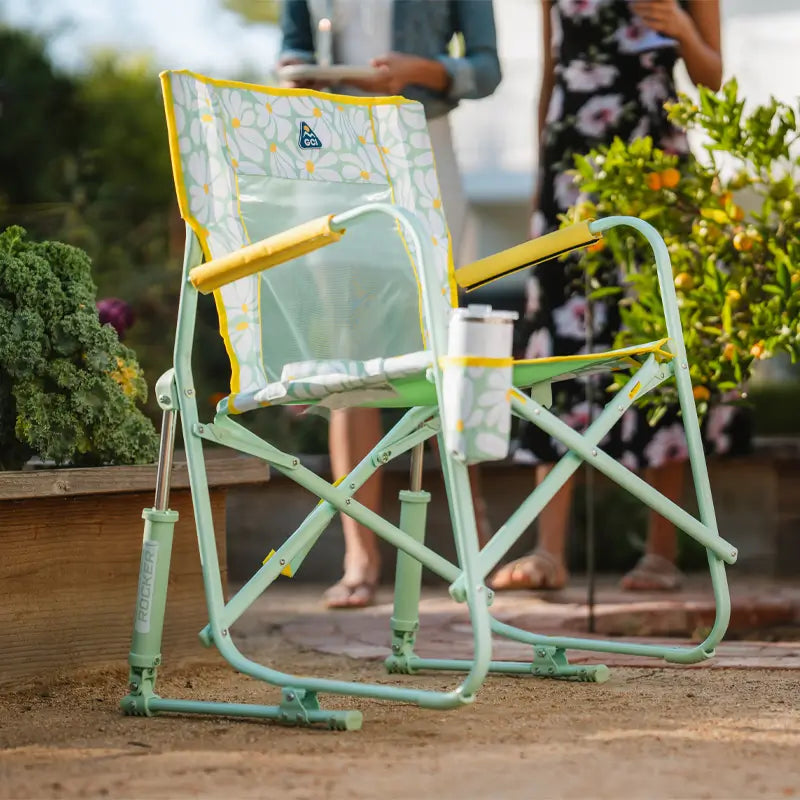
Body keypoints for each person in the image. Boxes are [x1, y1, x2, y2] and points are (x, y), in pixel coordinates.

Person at [490, 0, 749, 593]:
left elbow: (715, 81)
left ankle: (662, 552)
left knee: (659, 338)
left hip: (654, 159)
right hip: (568, 167)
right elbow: (552, 72)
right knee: (556, 342)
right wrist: (540, 178)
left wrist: (681, 28)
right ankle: (548, 551)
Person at [278, 0, 502, 608]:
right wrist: (302, 72)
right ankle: (361, 553)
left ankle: (473, 541)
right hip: (335, 150)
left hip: (425, 149)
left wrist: (419, 71)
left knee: (444, 345)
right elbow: (290, 51)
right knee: (349, 355)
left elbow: (487, 68)